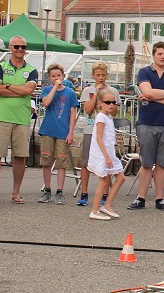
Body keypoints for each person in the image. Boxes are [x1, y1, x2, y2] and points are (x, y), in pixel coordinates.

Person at [130, 41, 164, 212]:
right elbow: (148, 92)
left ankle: (160, 198)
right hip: (146, 123)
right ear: (154, 55)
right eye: (159, 54)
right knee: (146, 163)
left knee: (161, 164)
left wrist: (152, 96)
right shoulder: (144, 72)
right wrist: (157, 94)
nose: (162, 57)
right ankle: (141, 198)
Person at [0, 36, 38, 204]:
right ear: (10, 47)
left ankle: (16, 192)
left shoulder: (31, 69)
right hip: (1, 116)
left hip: (22, 118)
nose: (20, 50)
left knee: (20, 156)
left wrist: (7, 86)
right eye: (16, 46)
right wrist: (19, 89)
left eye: (23, 47)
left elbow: (28, 90)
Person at [75, 62, 120, 207]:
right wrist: (96, 94)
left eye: (103, 75)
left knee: (106, 161)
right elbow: (88, 110)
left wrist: (108, 102)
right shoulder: (88, 90)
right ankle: (84, 192)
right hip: (90, 129)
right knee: (86, 161)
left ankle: (104, 194)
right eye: (98, 75)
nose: (101, 78)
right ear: (93, 75)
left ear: (107, 75)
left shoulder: (113, 91)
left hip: (106, 131)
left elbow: (114, 111)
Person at [37, 63, 78, 205]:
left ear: (63, 75)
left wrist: (71, 132)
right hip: (48, 130)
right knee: (46, 160)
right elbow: (46, 103)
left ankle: (60, 191)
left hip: (63, 132)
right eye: (53, 76)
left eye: (58, 75)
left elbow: (73, 113)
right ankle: (47, 190)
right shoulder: (47, 90)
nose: (56, 78)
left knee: (61, 162)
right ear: (49, 77)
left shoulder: (70, 93)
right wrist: (54, 87)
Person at [87, 90, 124, 220]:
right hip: (102, 154)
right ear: (100, 103)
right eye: (108, 102)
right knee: (103, 181)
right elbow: (99, 138)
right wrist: (106, 157)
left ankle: (107, 205)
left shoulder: (108, 117)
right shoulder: (101, 117)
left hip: (109, 152)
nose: (111, 105)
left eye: (113, 102)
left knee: (121, 178)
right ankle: (94, 210)